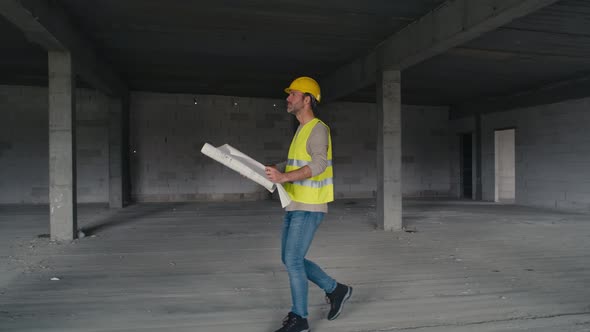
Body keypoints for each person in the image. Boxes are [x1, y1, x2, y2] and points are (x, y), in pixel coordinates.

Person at [265, 76, 352, 332]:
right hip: (295, 203)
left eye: (293, 94)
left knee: (292, 260)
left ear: (307, 99)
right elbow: (295, 164)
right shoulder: (302, 129)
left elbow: (318, 164)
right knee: (290, 258)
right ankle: (337, 290)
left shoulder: (317, 128)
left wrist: (284, 177)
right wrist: (270, 170)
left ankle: (299, 319)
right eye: (289, 94)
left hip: (309, 205)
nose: (288, 98)